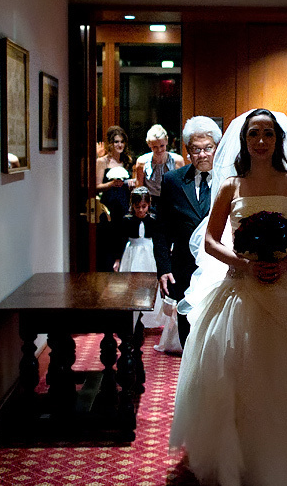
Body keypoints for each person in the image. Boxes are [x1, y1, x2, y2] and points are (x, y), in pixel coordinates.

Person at [169, 108, 287, 486]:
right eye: (253, 134)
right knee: (237, 373)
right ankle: (239, 466)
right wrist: (244, 264)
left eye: (268, 134)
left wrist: (286, 262)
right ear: (244, 141)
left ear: (278, 140)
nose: (260, 141)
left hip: (285, 283)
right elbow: (211, 241)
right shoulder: (231, 185)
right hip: (241, 286)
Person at [153, 116, 222, 346]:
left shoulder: (230, 180)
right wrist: (164, 268)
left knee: (218, 333)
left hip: (221, 269)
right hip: (184, 271)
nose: (202, 155)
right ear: (187, 151)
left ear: (217, 147)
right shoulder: (172, 181)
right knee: (188, 334)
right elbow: (161, 229)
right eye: (195, 149)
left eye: (208, 148)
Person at [113, 187, 165, 328]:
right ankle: (131, 317)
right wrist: (118, 259)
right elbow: (120, 240)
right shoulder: (127, 220)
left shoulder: (153, 219)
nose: (141, 210)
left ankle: (148, 318)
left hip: (149, 253)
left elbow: (159, 240)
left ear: (148, 205)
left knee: (148, 284)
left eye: (144, 206)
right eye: (137, 207)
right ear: (132, 206)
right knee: (131, 284)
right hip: (132, 253)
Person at [95, 125, 134, 271]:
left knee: (124, 236)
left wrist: (131, 184)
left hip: (125, 203)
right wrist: (111, 184)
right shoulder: (102, 162)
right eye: (116, 142)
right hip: (109, 205)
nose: (120, 145)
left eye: (122, 142)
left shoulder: (128, 160)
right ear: (110, 143)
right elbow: (97, 186)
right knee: (109, 239)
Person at [134, 124, 184, 211]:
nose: (159, 150)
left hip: (172, 203)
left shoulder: (177, 160)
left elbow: (181, 187)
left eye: (162, 146)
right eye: (155, 147)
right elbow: (140, 189)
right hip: (151, 204)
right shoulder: (142, 161)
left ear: (166, 141)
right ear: (149, 144)